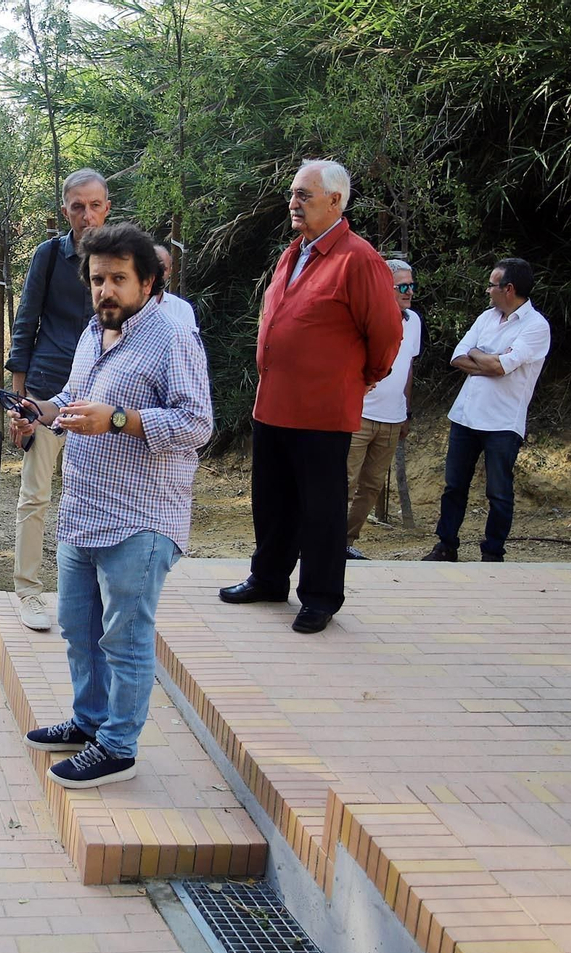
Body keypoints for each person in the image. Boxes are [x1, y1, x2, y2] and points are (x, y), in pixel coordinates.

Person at [12, 224, 213, 789]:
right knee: (79, 628)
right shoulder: (92, 334)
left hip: (141, 519)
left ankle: (119, 746)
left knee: (124, 639)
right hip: (83, 511)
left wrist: (121, 419)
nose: (106, 290)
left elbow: (198, 423)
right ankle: (88, 721)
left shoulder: (173, 336)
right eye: (98, 279)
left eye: (119, 279)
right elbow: (74, 402)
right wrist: (40, 411)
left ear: (147, 281)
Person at [218, 158, 402, 634]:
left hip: (324, 409)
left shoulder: (358, 259)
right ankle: (269, 578)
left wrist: (361, 378)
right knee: (272, 499)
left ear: (335, 201)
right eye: (293, 194)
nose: (293, 203)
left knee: (320, 506)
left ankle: (320, 596)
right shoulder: (293, 251)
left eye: (305, 195)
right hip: (274, 402)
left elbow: (385, 334)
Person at [7, 168, 111, 632]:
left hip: (102, 396)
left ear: (107, 206)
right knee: (36, 495)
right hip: (48, 389)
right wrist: (18, 399)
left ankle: (96, 593)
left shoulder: (123, 256)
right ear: (64, 210)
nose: (86, 215)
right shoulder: (48, 257)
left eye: (94, 205)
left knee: (98, 495)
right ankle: (28, 591)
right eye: (76, 206)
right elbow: (25, 322)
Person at [423, 258, 550, 562]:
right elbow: (458, 358)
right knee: (454, 486)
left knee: (499, 492)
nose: (487, 290)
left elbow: (501, 368)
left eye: (492, 285)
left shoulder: (536, 326)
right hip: (466, 416)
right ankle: (446, 545)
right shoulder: (486, 317)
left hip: (503, 422)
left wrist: (481, 356)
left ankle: (493, 552)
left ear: (509, 288)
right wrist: (488, 359)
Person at [345, 260, 423, 559]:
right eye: (403, 286)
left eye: (412, 285)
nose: (410, 291)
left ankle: (345, 541)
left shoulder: (413, 321)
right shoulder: (365, 318)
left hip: (392, 417)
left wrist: (406, 411)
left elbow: (408, 368)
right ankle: (320, 541)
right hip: (360, 415)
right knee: (344, 482)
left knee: (372, 485)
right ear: (383, 287)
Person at [152, 244, 199, 335]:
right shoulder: (128, 306)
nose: (158, 274)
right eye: (154, 268)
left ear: (170, 270)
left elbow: (189, 344)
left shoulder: (182, 308)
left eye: (163, 269)